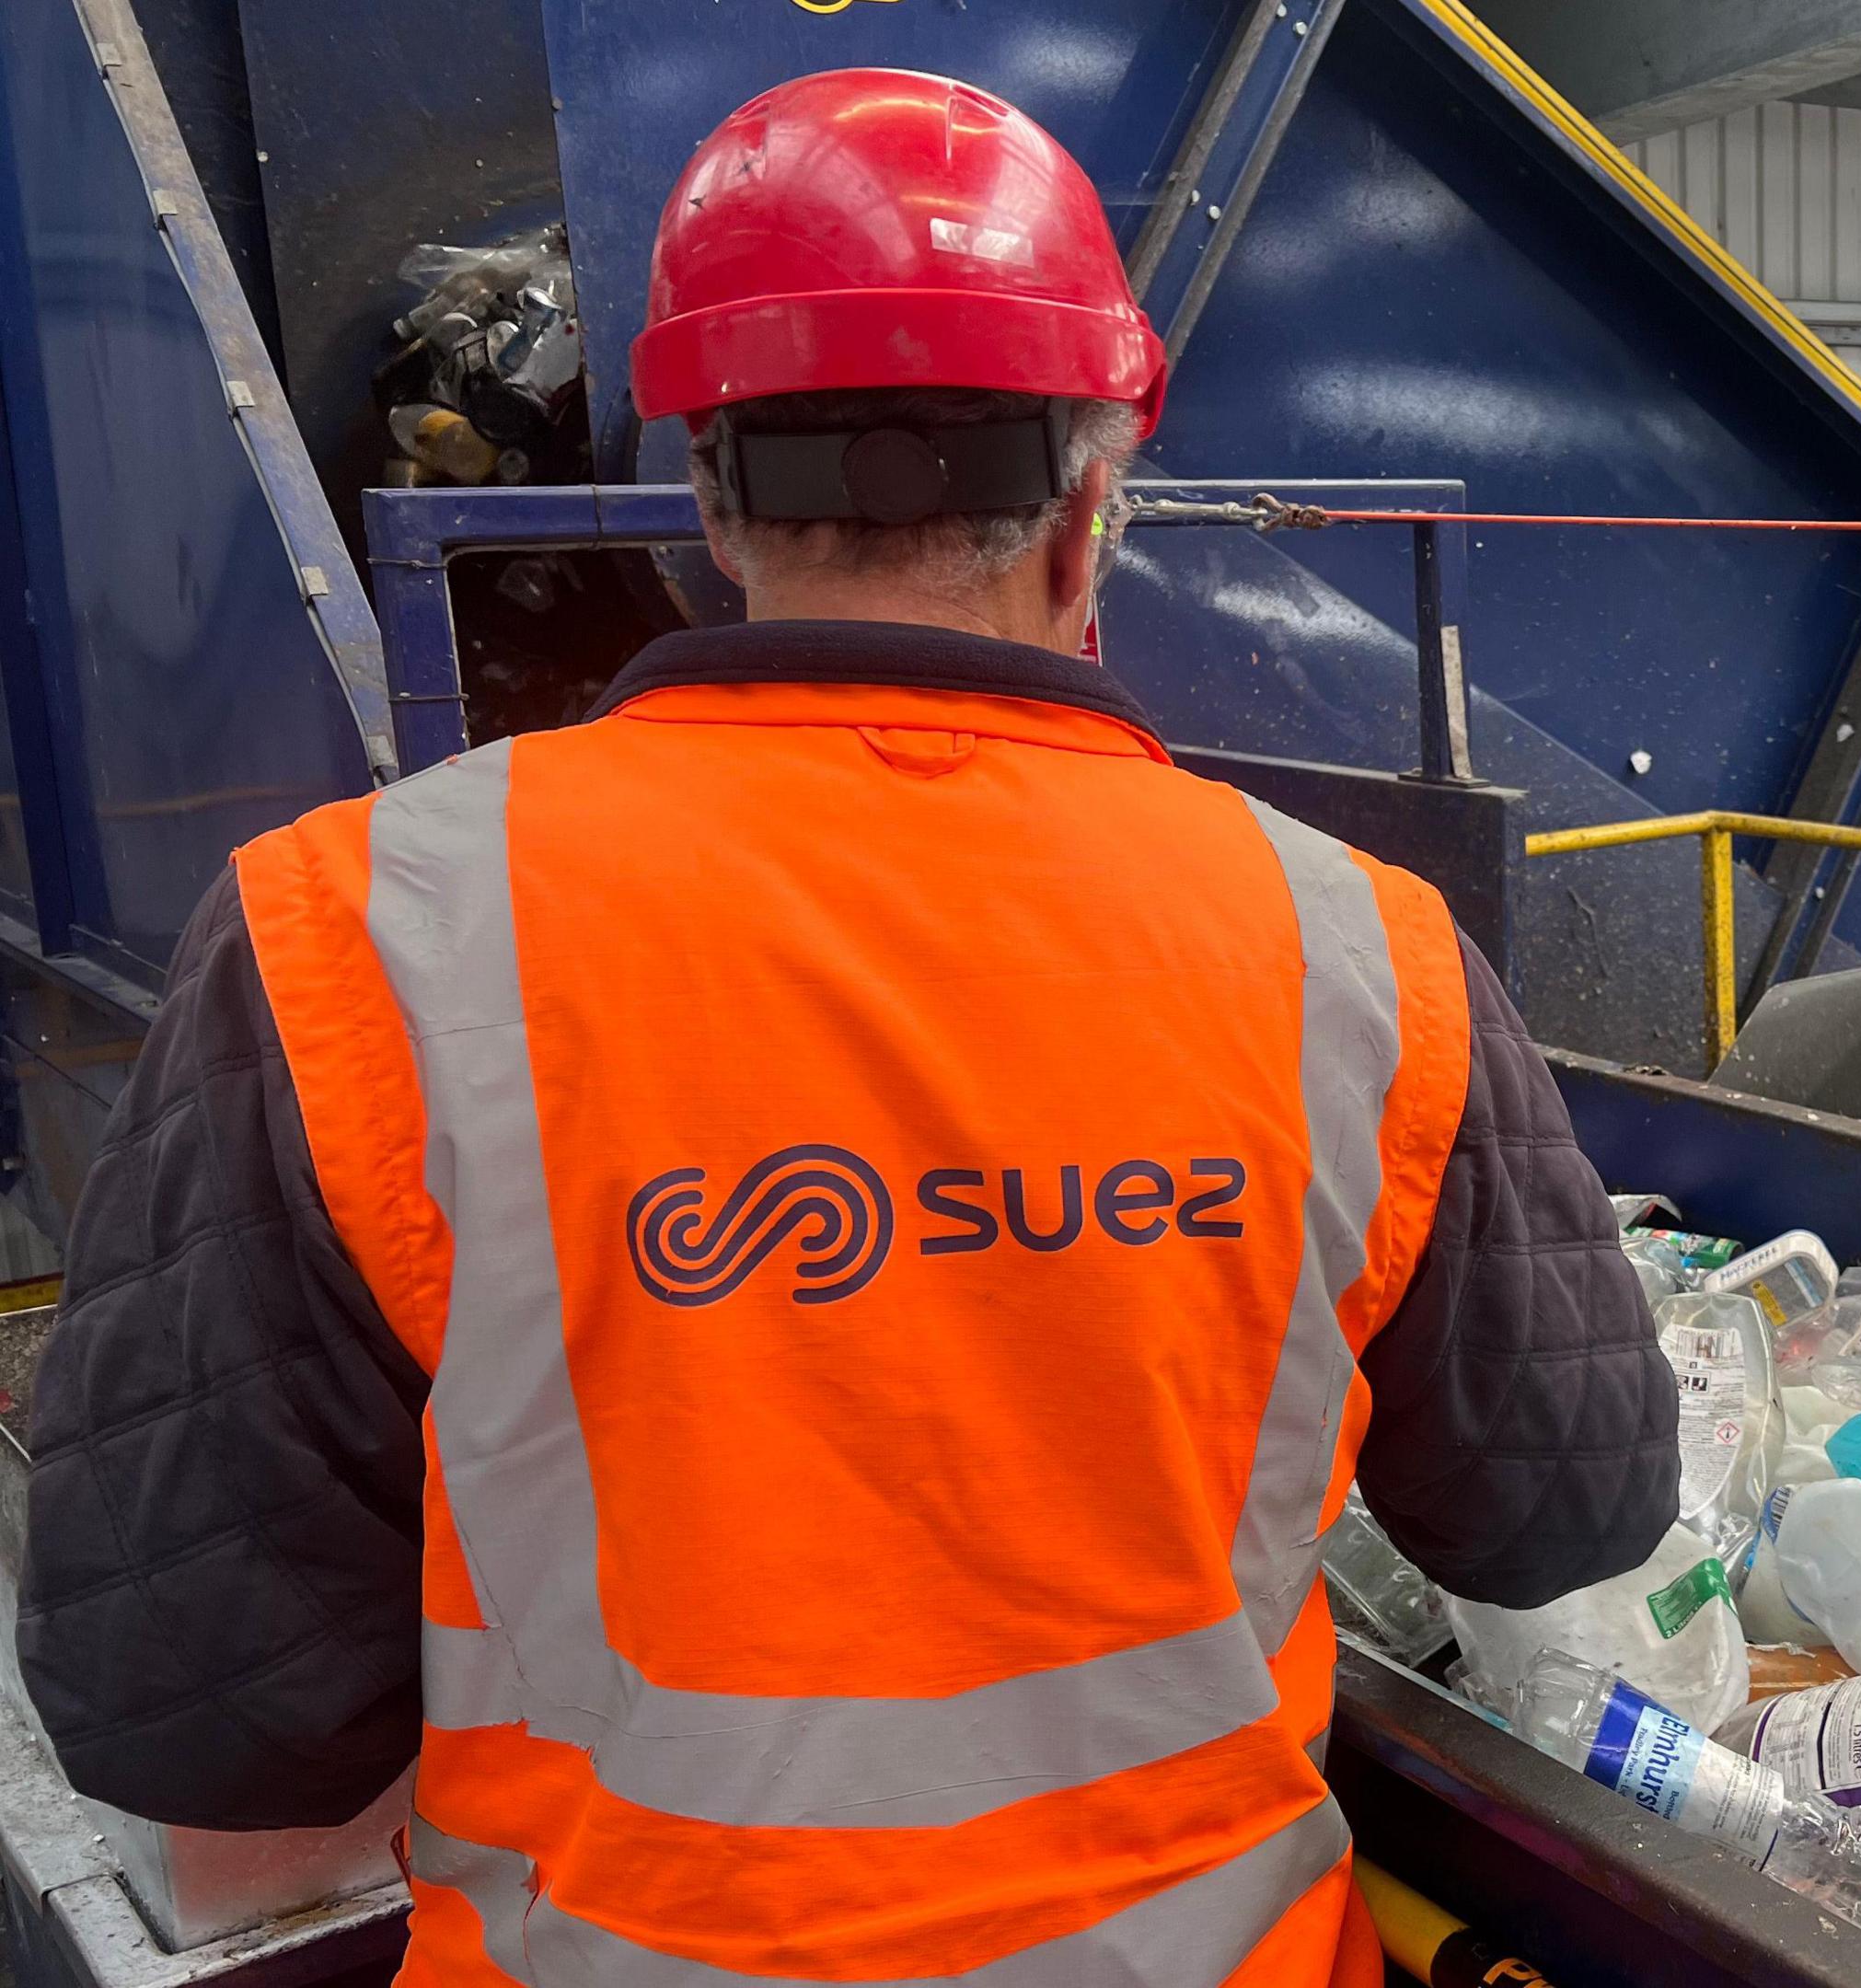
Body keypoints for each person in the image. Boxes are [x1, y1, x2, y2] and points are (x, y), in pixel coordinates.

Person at [14, 68, 1677, 1988]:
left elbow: (196, 1721)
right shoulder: (1359, 954)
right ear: (1087, 523)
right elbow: (1572, 1511)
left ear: (713, 505)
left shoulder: (347, 937)